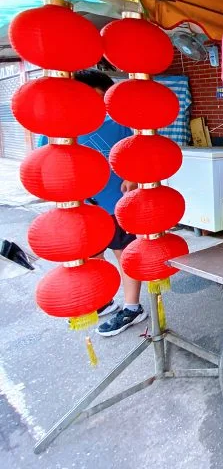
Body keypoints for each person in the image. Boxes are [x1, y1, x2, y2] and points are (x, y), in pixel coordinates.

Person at [37, 69, 147, 336]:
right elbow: (44, 166)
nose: (93, 104)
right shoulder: (54, 130)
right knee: (92, 256)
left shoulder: (117, 123)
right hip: (81, 209)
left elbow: (136, 154)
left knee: (126, 254)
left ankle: (132, 307)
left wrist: (132, 177)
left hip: (116, 203)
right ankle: (103, 298)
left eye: (98, 98)